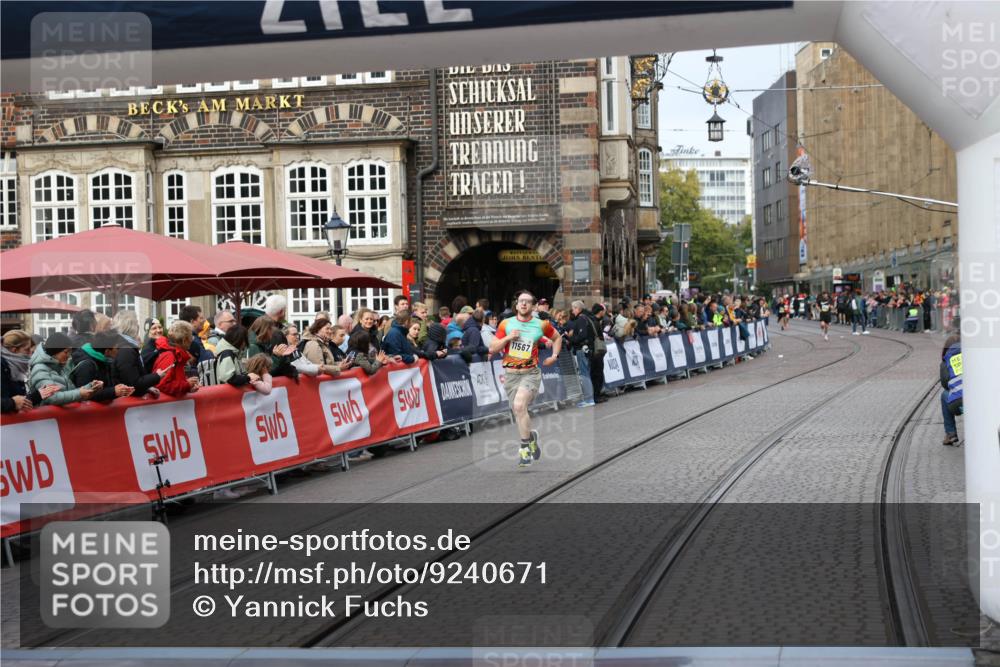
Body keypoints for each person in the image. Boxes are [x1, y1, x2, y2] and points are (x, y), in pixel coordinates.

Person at [490, 290, 562, 468]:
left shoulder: (541, 324)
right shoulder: (506, 324)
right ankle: (531, 438)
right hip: (511, 375)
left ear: (533, 306)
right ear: (516, 305)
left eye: (527, 302)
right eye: (521, 301)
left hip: (530, 373)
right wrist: (508, 337)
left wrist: (554, 356)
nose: (523, 304)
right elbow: (492, 347)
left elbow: (557, 337)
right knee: (519, 412)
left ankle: (524, 449)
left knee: (519, 406)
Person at [29, 332, 100, 406]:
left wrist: (91, 386)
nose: (69, 356)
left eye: (70, 352)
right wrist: (80, 393)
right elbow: (51, 398)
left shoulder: (59, 366)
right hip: (49, 417)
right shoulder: (40, 370)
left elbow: (70, 391)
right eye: (66, 352)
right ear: (55, 351)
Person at [70, 330, 135, 403]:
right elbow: (85, 394)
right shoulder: (86, 365)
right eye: (117, 348)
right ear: (107, 351)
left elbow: (108, 385)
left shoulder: (105, 360)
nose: (120, 350)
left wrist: (122, 389)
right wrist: (113, 391)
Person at [2, 330, 58, 413]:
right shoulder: (3, 366)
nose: (30, 354)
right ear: (14, 350)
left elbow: (20, 401)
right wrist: (12, 403)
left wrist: (39, 394)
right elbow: (13, 402)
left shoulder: (15, 367)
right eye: (27, 350)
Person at [112, 310, 164, 398]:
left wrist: (147, 388)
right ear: (131, 326)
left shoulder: (126, 346)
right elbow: (133, 383)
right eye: (136, 322)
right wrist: (157, 376)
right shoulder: (126, 350)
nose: (138, 326)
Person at [152, 321, 200, 397]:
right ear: (184, 340)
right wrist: (186, 384)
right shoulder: (170, 356)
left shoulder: (176, 354)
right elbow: (161, 385)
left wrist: (188, 388)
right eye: (191, 336)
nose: (192, 340)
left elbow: (173, 381)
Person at [564, 300, 596, 407]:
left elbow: (582, 335)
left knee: (584, 374)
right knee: (586, 373)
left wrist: (571, 338)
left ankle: (589, 399)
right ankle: (590, 398)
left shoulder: (581, 319)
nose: (572, 311)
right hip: (586, 348)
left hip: (582, 349)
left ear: (578, 308)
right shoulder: (586, 318)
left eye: (573, 308)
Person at [939, 333, 962, 446]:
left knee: (944, 395)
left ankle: (951, 434)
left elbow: (945, 384)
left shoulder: (946, 361)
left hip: (958, 405)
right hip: (977, 402)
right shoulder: (973, 354)